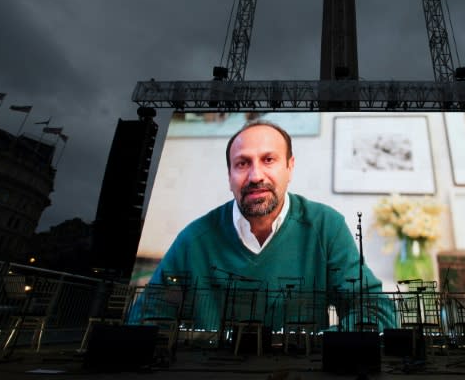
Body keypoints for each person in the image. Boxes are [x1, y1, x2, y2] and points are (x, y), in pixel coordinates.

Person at [130, 119, 396, 332]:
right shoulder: (194, 238)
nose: (256, 176)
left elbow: (375, 309)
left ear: (290, 168)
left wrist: (320, 347)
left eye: (269, 160)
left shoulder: (326, 226)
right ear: (229, 176)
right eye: (242, 163)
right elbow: (145, 320)